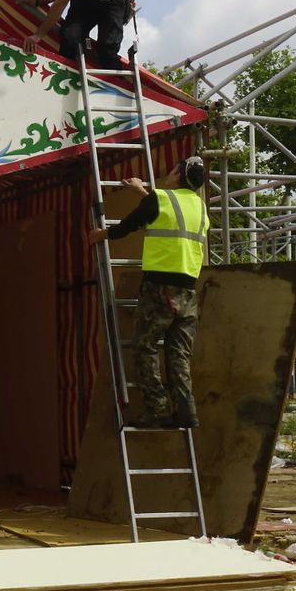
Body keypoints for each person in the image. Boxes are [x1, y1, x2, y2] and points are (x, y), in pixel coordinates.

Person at [87, 156, 209, 428]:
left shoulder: (163, 199)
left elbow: (132, 223)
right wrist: (143, 191)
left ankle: (157, 409)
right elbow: (164, 214)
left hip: (160, 288)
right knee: (178, 353)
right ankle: (186, 410)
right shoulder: (199, 207)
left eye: (173, 169)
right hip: (188, 292)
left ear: (177, 175)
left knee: (145, 347)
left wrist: (102, 235)